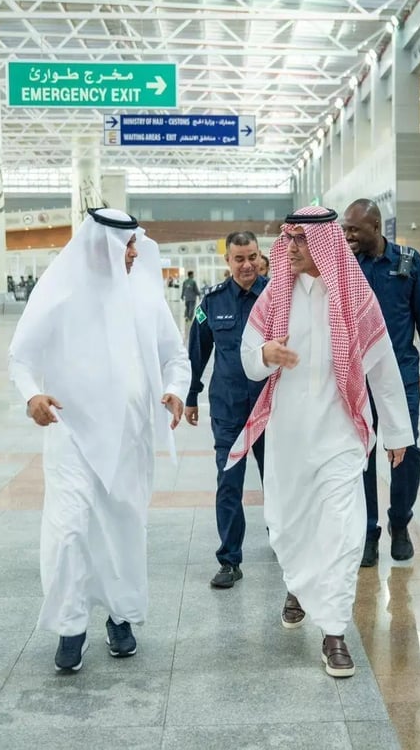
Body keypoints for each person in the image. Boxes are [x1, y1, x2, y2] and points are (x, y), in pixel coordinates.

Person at [229, 206, 412, 678]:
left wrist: (397, 433)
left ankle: (333, 632)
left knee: (343, 530)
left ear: (325, 245)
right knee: (289, 524)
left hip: (340, 433)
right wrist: (265, 353)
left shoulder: (354, 295)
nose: (291, 248)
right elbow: (247, 359)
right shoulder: (275, 296)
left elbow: (383, 366)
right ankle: (297, 583)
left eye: (301, 240)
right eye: (288, 239)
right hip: (288, 435)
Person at [8, 208, 190, 674]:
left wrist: (175, 390)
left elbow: (175, 356)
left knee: (124, 529)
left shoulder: (145, 295)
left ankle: (120, 617)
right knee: (69, 530)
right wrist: (31, 396)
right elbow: (21, 357)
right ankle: (70, 625)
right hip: (72, 434)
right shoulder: (59, 291)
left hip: (130, 438)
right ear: (101, 246)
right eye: (126, 245)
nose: (134, 254)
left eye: (134, 245)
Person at [341, 198, 420, 566]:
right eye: (345, 228)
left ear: (375, 227)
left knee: (408, 451)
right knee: (362, 454)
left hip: (401, 375)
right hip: (358, 376)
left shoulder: (407, 262)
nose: (347, 235)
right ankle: (368, 532)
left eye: (354, 229)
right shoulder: (344, 264)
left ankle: (400, 522)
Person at [185, 231, 268, 589]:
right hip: (228, 408)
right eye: (239, 258)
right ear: (228, 261)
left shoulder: (277, 296)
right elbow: (197, 351)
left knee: (278, 481)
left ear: (260, 256)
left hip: (270, 407)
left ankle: (285, 542)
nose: (247, 265)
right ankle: (230, 560)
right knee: (229, 483)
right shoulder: (213, 301)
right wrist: (191, 395)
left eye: (252, 257)